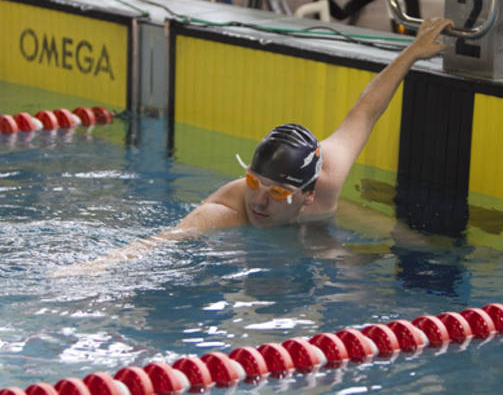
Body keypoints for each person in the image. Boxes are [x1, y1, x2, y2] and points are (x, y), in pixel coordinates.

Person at [54, 17, 454, 272]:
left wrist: (414, 51)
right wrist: (94, 267)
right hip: (273, 250)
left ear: (309, 194)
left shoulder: (327, 172)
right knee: (346, 271)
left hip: (319, 226)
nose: (258, 202)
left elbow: (367, 110)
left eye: (276, 191)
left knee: (410, 247)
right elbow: (160, 243)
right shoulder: (226, 213)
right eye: (252, 183)